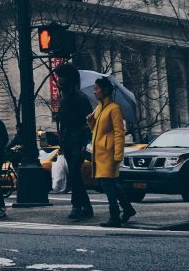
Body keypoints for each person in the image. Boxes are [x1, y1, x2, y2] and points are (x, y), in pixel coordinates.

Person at [88, 76, 136, 227]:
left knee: (107, 184)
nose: (94, 92)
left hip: (108, 153)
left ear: (106, 90)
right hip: (100, 153)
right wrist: (91, 121)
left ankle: (114, 215)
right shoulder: (100, 108)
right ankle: (127, 209)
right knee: (112, 184)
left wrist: (118, 154)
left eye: (97, 89)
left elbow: (119, 133)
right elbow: (96, 131)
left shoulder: (114, 108)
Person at [54, 63, 94, 221]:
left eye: (61, 78)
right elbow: (63, 123)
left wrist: (85, 142)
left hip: (78, 141)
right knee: (74, 174)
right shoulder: (64, 100)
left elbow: (87, 123)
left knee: (74, 174)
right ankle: (86, 206)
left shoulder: (81, 98)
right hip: (68, 141)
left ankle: (77, 206)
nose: (59, 81)